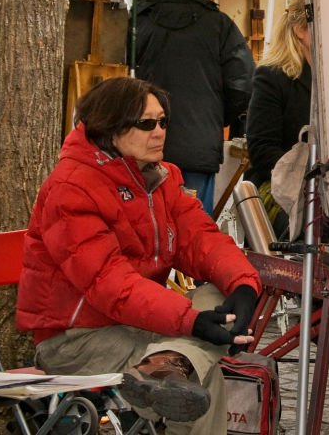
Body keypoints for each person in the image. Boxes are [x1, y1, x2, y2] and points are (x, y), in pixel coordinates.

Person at [17, 77, 261, 433]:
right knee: (201, 376)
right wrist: (191, 322)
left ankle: (169, 363)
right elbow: (111, 285)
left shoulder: (161, 177)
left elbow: (201, 239)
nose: (159, 132)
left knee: (223, 296)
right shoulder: (70, 187)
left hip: (139, 321)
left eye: (163, 121)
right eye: (147, 124)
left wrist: (243, 286)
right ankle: (173, 363)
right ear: (110, 129)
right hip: (76, 339)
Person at [136, 0, 254, 216]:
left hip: (144, 139)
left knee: (146, 225)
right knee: (193, 228)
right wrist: (219, 118)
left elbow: (121, 71)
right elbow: (243, 84)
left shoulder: (141, 19)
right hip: (198, 144)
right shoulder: (219, 25)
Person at [245, 0, 311, 239]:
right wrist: (307, 177)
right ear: (300, 30)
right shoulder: (273, 77)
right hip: (280, 192)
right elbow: (261, 150)